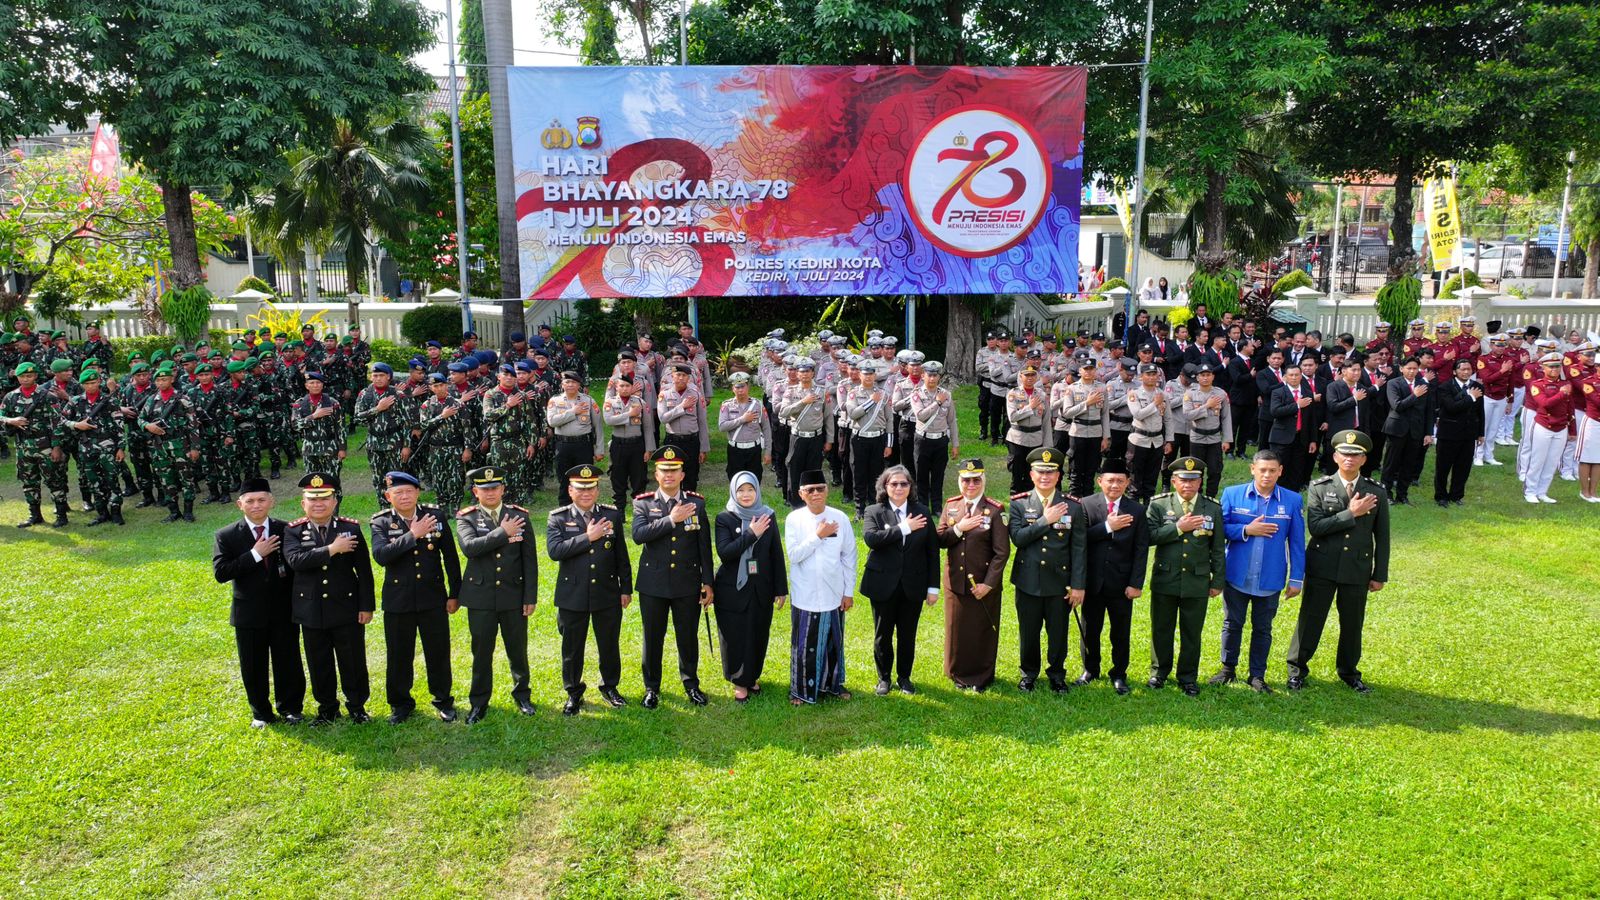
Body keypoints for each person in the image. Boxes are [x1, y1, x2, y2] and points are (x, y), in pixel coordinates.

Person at [1287, 430, 1389, 693]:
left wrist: (1380, 574)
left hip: (1357, 567)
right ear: (1335, 456)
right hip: (1323, 564)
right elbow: (1316, 527)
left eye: (1356, 455)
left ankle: (1349, 672)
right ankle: (1296, 669)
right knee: (1311, 619)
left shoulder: (1375, 491)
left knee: (1353, 622)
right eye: (1344, 454)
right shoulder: (1320, 487)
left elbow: (1383, 536)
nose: (1349, 459)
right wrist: (1351, 513)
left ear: (1364, 459)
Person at [211, 478, 305, 728]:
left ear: (271, 502)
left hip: (283, 610)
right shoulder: (226, 535)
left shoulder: (286, 529)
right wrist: (255, 554)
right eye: (250, 501)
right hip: (248, 612)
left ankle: (291, 708)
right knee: (253, 664)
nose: (256, 505)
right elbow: (221, 573)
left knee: (288, 660)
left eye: (262, 500)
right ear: (239, 504)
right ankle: (261, 713)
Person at [282, 472, 375, 725]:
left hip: (346, 607)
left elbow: (364, 571)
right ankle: (327, 709)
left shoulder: (350, 528)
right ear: (303, 503)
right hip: (311, 609)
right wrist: (332, 549)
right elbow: (295, 561)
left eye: (324, 498)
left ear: (335, 501)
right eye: (312, 499)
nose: (318, 504)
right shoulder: (293, 531)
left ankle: (357, 707)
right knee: (318, 661)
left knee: (352, 660)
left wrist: (366, 606)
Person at [370, 471, 462, 724]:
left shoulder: (435, 516)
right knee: (399, 654)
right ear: (388, 496)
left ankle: (443, 700)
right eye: (398, 492)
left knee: (438, 652)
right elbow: (381, 556)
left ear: (418, 493)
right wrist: (413, 534)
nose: (404, 496)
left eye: (409, 491)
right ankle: (400, 704)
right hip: (398, 600)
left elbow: (451, 558)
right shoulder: (380, 522)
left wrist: (455, 593)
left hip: (433, 598)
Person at [1213, 451, 1305, 693]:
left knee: (1263, 628)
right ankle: (1227, 669)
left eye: (1272, 470)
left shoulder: (1293, 500)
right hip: (1236, 575)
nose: (1267, 475)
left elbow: (1297, 543)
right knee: (1232, 623)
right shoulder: (1232, 494)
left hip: (1270, 577)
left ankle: (1256, 675)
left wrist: (1296, 579)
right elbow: (1219, 530)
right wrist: (1246, 530)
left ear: (1280, 471)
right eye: (1262, 470)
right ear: (1252, 469)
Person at [631, 446, 715, 708]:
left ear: (682, 474)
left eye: (674, 470)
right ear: (656, 474)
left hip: (686, 582)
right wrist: (670, 519)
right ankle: (651, 688)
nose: (669, 475)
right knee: (652, 638)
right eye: (664, 470)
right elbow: (638, 535)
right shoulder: (643, 503)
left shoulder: (696, 503)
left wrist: (708, 582)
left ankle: (691, 684)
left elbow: (704, 547)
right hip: (653, 583)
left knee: (687, 636)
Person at [546, 463, 632, 715]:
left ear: (597, 490)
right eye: (580, 488)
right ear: (570, 490)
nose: (586, 493)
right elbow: (555, 551)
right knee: (572, 648)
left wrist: (625, 588)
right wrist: (588, 537)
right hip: (572, 594)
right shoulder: (558, 517)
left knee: (609, 643)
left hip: (607, 591)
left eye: (591, 488)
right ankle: (573, 692)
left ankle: (610, 687)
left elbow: (621, 555)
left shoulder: (611, 515)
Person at [455, 465, 539, 723]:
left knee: (518, 649)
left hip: (513, 595)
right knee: (481, 652)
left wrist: (530, 597)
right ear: (475, 492)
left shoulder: (519, 516)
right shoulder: (467, 518)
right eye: (485, 489)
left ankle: (522, 695)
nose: (490, 492)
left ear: (502, 489)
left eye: (494, 487)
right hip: (480, 597)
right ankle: (479, 702)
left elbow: (529, 560)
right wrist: (503, 532)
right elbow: (470, 548)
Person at [1008, 447, 1087, 693]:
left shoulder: (1073, 506)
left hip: (1059, 582)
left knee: (1058, 632)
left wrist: (1078, 585)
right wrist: (1045, 520)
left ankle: (1057, 674)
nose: (1045, 477)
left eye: (1050, 472)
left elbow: (1079, 549)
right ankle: (1028, 673)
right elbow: (1018, 538)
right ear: (1031, 475)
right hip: (1028, 580)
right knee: (1028, 631)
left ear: (1058, 476)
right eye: (1040, 472)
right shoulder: (1019, 504)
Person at [1145, 458, 1225, 695]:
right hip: (1166, 578)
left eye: (1193, 480)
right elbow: (1149, 537)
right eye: (1183, 480)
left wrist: (1217, 581)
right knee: (1161, 628)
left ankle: (1188, 677)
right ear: (1173, 481)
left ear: (1200, 482)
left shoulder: (1212, 508)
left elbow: (1217, 548)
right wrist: (1179, 527)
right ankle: (1159, 672)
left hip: (1197, 580)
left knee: (1192, 631)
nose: (1188, 485)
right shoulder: (1159, 505)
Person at [860, 465, 941, 695]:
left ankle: (904, 677)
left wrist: (933, 587)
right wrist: (904, 528)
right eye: (893, 484)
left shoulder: (922, 512)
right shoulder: (874, 511)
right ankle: (884, 678)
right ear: (884, 486)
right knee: (882, 634)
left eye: (903, 483)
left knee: (907, 635)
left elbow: (932, 552)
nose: (898, 488)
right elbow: (871, 539)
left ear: (910, 487)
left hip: (912, 585)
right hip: (883, 584)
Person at [934, 459, 1010, 690]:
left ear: (983, 481)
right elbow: (940, 539)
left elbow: (1001, 553)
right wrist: (959, 528)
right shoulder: (952, 505)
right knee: (957, 629)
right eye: (966, 480)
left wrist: (988, 584)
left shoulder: (995, 510)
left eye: (976, 480)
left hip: (983, 584)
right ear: (960, 481)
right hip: (955, 581)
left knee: (981, 630)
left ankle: (981, 676)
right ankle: (956, 672)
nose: (971, 485)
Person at [1075, 460, 1150, 695]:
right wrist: (1108, 526)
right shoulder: (1086, 505)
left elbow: (1141, 549)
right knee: (1090, 630)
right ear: (1100, 481)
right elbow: (1079, 539)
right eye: (1110, 480)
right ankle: (1090, 669)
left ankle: (1119, 673)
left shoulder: (1136, 510)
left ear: (1127, 483)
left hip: (1121, 583)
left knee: (1120, 632)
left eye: (1120, 481)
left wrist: (1135, 583)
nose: (1114, 485)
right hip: (1092, 582)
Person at [712, 470, 788, 702]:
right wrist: (751, 534)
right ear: (733, 492)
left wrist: (780, 589)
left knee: (758, 632)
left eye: (750, 489)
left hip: (761, 588)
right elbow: (725, 553)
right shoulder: (724, 518)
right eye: (741, 490)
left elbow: (776, 554)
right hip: (731, 590)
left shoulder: (768, 516)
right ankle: (739, 680)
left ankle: (752, 675)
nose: (746, 495)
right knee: (735, 635)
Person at [783, 468, 856, 705]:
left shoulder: (840, 518)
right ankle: (801, 690)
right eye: (810, 490)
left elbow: (849, 557)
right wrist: (818, 535)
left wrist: (848, 592)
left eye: (820, 489)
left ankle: (832, 684)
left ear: (827, 491)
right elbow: (794, 555)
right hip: (805, 594)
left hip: (833, 592)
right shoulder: (794, 519)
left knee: (833, 641)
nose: (816, 493)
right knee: (805, 643)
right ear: (801, 494)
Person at [140, 362, 201, 523]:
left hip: (181, 445)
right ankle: (174, 511)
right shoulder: (151, 400)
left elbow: (193, 425)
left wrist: (195, 447)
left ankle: (188, 511)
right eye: (158, 380)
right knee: (166, 480)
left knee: (186, 478)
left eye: (165, 379)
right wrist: (148, 426)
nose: (161, 383)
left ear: (172, 380)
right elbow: (140, 419)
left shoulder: (183, 400)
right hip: (160, 447)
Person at [354, 364, 413, 509]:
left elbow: (407, 423)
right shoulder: (365, 394)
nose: (378, 379)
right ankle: (384, 508)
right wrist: (378, 409)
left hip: (394, 442)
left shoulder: (398, 395)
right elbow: (357, 419)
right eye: (375, 376)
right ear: (371, 377)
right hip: (374, 443)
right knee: (378, 477)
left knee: (396, 477)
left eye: (381, 375)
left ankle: (399, 507)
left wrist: (406, 446)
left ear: (388, 377)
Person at [1380, 357, 1435, 505]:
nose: (1411, 371)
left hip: (1416, 431)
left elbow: (1428, 411)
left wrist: (1428, 433)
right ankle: (1386, 493)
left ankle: (1402, 495)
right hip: (1397, 429)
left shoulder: (1424, 384)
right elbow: (1397, 406)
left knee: (1409, 464)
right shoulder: (1393, 383)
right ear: (1401, 368)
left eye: (1415, 368)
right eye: (1409, 368)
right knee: (1391, 463)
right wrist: (1414, 395)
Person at [1522, 353, 1575, 504]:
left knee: (1552, 462)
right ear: (1543, 368)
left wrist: (1572, 430)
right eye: (1551, 366)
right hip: (1544, 425)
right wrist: (1561, 393)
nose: (1555, 369)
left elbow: (1570, 408)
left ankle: (1542, 491)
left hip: (1561, 427)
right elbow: (1544, 403)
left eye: (1557, 366)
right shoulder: (1537, 384)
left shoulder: (1565, 384)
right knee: (1537, 460)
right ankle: (1530, 491)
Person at [1433, 359, 1485, 506]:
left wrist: (1480, 433)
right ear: (1455, 371)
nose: (1466, 372)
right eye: (1463, 369)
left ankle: (1456, 495)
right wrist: (1471, 397)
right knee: (1443, 467)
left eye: (1469, 369)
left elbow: (1480, 411)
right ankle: (1441, 496)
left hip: (1469, 433)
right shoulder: (1445, 387)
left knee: (1463, 467)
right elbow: (1451, 407)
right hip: (1449, 433)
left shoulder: (1477, 387)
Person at [657, 362, 709, 491]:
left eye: (684, 375)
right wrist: (682, 407)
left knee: (691, 475)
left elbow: (702, 422)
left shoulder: (696, 394)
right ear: (672, 376)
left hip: (691, 441)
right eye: (678, 375)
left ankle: (689, 500)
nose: (681, 378)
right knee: (672, 475)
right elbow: (663, 418)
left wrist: (703, 448)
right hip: (673, 441)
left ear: (689, 378)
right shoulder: (665, 394)